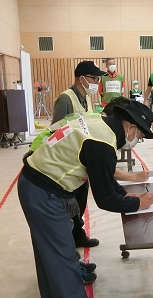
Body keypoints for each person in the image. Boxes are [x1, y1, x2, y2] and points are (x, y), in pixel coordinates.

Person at [17, 101, 153, 298]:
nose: (137, 140)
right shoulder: (102, 143)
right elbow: (105, 200)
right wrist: (136, 203)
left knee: (48, 253)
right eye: (139, 135)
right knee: (63, 255)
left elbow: (104, 176)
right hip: (44, 192)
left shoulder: (97, 121)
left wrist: (127, 193)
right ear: (130, 127)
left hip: (36, 183)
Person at [52, 60, 107, 248]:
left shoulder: (87, 99)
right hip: (68, 163)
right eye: (94, 78)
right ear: (81, 78)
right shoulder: (66, 99)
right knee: (70, 203)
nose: (97, 82)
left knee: (80, 201)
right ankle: (69, 238)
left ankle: (77, 233)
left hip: (83, 160)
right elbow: (55, 132)